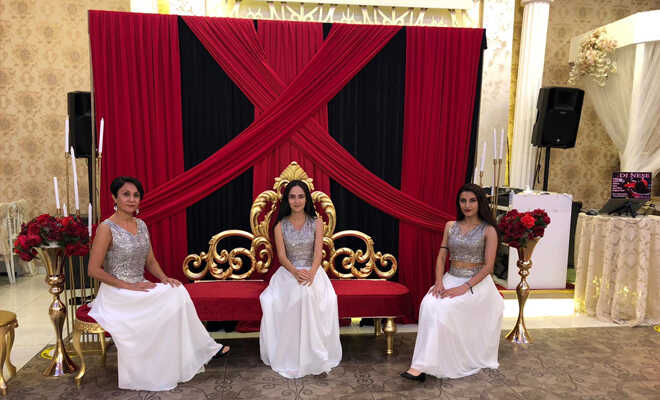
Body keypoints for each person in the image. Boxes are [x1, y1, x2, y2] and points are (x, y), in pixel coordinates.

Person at [87, 176, 230, 391]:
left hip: (140, 285)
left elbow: (151, 261)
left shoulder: (141, 225)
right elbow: (93, 270)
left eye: (136, 195)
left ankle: (198, 351)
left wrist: (164, 278)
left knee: (177, 290)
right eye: (126, 194)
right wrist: (127, 286)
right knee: (168, 299)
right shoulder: (106, 228)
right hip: (117, 292)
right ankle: (203, 349)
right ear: (114, 198)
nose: (132, 199)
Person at [401, 183, 504, 382]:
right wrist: (439, 282)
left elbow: (488, 267)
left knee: (446, 308)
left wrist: (463, 288)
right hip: (451, 277)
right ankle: (423, 363)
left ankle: (425, 365)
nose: (467, 205)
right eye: (463, 201)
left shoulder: (489, 230)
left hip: (476, 284)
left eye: (472, 201)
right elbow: (441, 257)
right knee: (428, 303)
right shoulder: (450, 226)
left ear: (480, 203)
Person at [259, 180, 342, 378]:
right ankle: (293, 354)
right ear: (287, 200)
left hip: (313, 271)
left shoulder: (317, 223)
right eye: (292, 197)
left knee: (307, 293)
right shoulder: (280, 225)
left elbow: (318, 253)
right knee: (298, 294)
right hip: (289, 272)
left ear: (307, 199)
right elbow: (281, 256)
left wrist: (311, 273)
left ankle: (313, 352)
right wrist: (296, 272)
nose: (296, 201)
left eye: (300, 196)